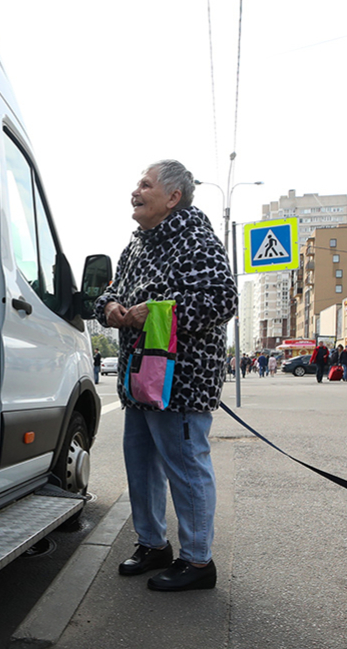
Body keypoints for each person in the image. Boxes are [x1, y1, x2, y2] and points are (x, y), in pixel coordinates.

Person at [97, 159, 236, 592]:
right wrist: (113, 309)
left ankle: (197, 562)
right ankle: (153, 544)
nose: (135, 192)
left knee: (186, 468)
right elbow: (112, 291)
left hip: (181, 381)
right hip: (139, 379)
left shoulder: (196, 239)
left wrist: (150, 314)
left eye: (145, 184)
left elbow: (220, 299)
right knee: (140, 465)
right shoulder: (137, 244)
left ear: (173, 197)